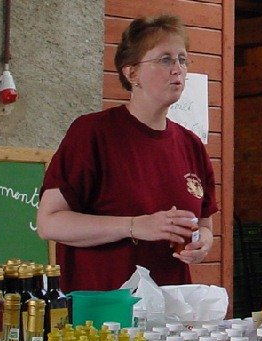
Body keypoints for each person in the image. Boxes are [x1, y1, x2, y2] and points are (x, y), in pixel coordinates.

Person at [37, 14, 218, 292]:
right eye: (165, 59)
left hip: (169, 308)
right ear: (131, 73)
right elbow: (49, 223)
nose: (177, 69)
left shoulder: (191, 145)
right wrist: (134, 226)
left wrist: (202, 242)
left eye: (182, 59)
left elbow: (204, 225)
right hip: (104, 308)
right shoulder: (93, 133)